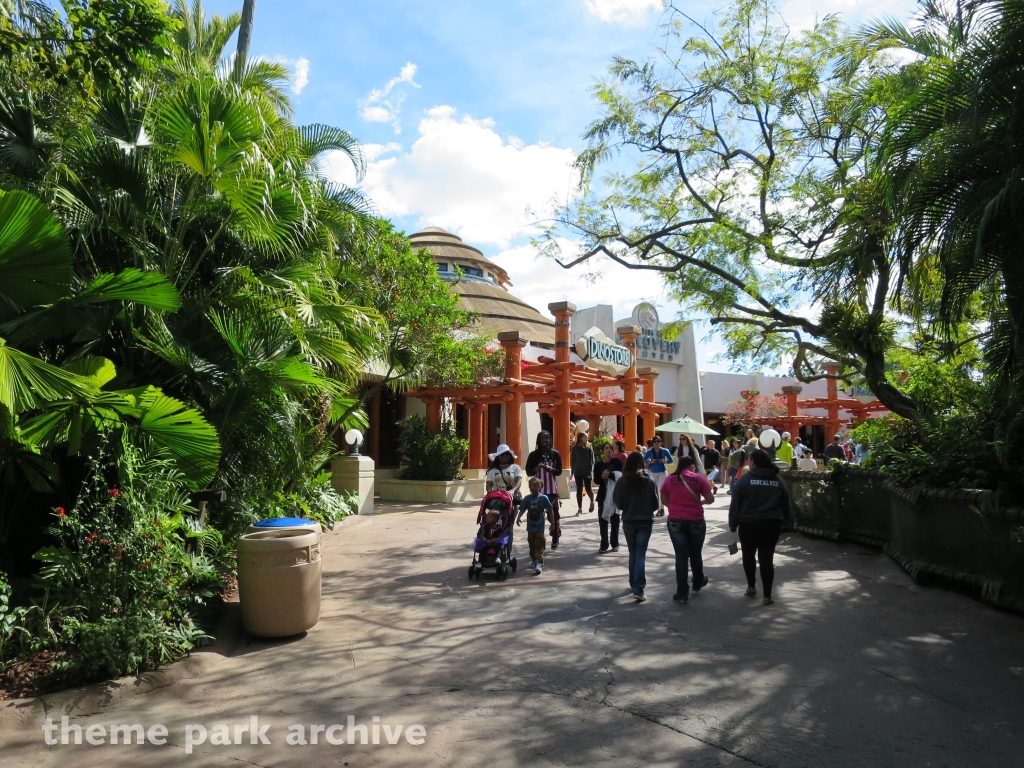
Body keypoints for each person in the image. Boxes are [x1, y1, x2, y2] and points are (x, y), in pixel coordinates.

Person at [728, 449, 792, 605]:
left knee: (748, 556)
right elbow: (786, 505)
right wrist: (787, 523)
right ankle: (768, 596)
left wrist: (733, 524)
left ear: (753, 462)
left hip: (748, 524)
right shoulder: (777, 481)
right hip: (771, 525)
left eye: (750, 460)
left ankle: (751, 587)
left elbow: (735, 505)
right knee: (766, 559)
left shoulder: (744, 480)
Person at [661, 456, 715, 604]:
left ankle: (682, 592)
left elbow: (663, 498)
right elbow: (710, 499)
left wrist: (674, 507)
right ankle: (697, 582)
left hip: (675, 520)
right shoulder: (699, 479)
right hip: (696, 519)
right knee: (695, 553)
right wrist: (700, 501)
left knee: (681, 555)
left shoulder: (669, 479)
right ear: (692, 466)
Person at [612, 452, 660, 602]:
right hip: (645, 521)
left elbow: (618, 503)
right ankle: (639, 588)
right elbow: (655, 504)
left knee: (633, 553)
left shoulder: (622, 481)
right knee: (640, 554)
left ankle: (634, 582)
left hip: (629, 520)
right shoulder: (649, 481)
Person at [525, 431, 563, 548]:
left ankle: (555, 536)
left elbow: (559, 471)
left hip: (551, 490)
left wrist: (550, 469)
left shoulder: (555, 454)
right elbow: (528, 471)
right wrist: (536, 468)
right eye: (543, 438)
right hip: (538, 491)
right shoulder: (533, 455)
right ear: (539, 440)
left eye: (547, 438)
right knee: (536, 514)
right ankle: (539, 538)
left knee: (554, 514)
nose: (546, 440)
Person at [516, 477, 555, 574]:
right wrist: (518, 517)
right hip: (530, 527)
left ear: (540, 487)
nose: (532, 488)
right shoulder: (527, 498)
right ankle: (534, 559)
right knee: (531, 543)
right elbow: (522, 509)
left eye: (535, 486)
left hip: (540, 526)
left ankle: (539, 562)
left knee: (539, 543)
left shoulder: (543, 498)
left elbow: (550, 510)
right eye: (530, 486)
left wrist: (553, 523)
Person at [594, 442, 624, 553]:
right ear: (603, 451)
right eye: (606, 448)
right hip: (603, 495)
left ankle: (615, 543)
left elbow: (621, 476)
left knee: (615, 521)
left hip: (615, 495)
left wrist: (610, 475)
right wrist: (602, 477)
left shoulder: (617, 462)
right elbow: (596, 480)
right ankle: (604, 544)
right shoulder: (598, 465)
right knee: (603, 521)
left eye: (611, 448)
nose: (609, 450)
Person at [643, 436, 673, 516]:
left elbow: (671, 460)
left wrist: (665, 461)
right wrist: (650, 461)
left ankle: (661, 508)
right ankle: (654, 507)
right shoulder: (650, 451)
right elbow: (644, 459)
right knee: (654, 490)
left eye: (658, 441)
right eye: (655, 442)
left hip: (662, 471)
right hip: (653, 472)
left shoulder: (665, 451)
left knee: (661, 490)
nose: (656, 443)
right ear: (653, 443)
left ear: (660, 443)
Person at [570, 432, 596, 516]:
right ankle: (580, 509)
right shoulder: (574, 448)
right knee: (579, 490)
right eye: (585, 437)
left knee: (588, 489)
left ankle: (592, 501)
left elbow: (592, 461)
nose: (587, 438)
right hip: (578, 471)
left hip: (587, 471)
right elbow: (573, 461)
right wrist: (572, 473)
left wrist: (590, 471)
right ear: (580, 438)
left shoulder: (589, 447)